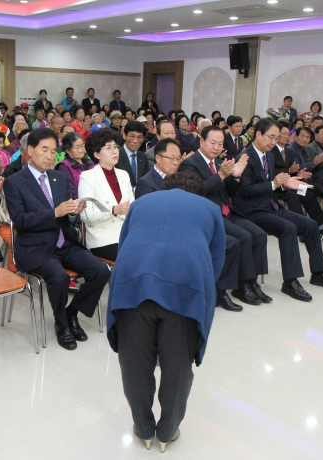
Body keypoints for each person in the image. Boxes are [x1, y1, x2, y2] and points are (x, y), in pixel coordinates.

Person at [107, 171, 225, 453]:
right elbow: (216, 261)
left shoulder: (141, 203)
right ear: (198, 193)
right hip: (184, 289)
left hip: (133, 283)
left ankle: (143, 429)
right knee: (177, 365)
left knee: (134, 363)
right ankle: (167, 431)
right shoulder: (210, 209)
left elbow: (124, 244)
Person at [4, 128, 110, 351]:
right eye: (45, 150)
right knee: (59, 277)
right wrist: (54, 213)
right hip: (35, 247)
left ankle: (72, 312)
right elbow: (20, 221)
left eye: (53, 151)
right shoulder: (15, 182)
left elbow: (67, 216)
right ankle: (62, 324)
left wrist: (73, 212)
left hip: (64, 241)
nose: (50, 156)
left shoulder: (59, 178)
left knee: (101, 271)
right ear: (30, 150)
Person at [235, 118, 323, 301]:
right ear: (258, 134)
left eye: (276, 138)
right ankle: (290, 281)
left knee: (310, 225)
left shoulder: (269, 156)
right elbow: (244, 191)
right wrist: (274, 184)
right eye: (271, 137)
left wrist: (286, 185)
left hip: (270, 206)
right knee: (288, 228)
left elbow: (273, 188)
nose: (273, 142)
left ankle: (318, 273)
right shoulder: (245, 157)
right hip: (252, 210)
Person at [180, 125, 269, 310]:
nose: (216, 147)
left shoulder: (220, 163)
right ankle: (239, 286)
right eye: (213, 142)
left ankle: (252, 282)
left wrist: (235, 177)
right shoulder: (190, 163)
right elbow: (196, 191)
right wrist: (221, 175)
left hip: (227, 212)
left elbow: (232, 192)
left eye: (220, 144)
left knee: (259, 234)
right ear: (202, 141)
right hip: (208, 215)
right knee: (243, 237)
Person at [77, 129, 134, 261]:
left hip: (126, 234)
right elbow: (87, 216)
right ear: (97, 154)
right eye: (108, 148)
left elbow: (132, 207)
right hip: (103, 239)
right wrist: (113, 210)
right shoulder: (88, 177)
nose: (115, 151)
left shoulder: (123, 175)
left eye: (115, 147)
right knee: (133, 259)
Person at [270, 121, 323, 235]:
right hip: (276, 185)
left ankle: (321, 225)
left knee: (308, 195)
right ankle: (302, 228)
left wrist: (298, 174)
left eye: (288, 133)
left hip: (290, 182)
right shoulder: (271, 151)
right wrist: (290, 171)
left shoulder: (287, 151)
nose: (286, 136)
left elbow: (294, 168)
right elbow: (270, 171)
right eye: (283, 133)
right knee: (294, 196)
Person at [56, 132, 94, 200]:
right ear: (67, 150)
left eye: (82, 146)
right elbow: (71, 191)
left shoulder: (89, 162)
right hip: (79, 202)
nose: (81, 150)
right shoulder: (64, 166)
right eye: (77, 148)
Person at [116, 121, 150, 188]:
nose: (135, 141)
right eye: (132, 136)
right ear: (124, 136)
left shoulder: (143, 157)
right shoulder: (116, 156)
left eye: (139, 137)